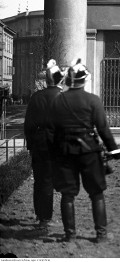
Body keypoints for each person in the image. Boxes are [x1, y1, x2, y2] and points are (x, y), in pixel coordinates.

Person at [46, 59, 120, 242]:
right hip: (89, 151)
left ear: (70, 80)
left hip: (65, 152)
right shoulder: (93, 100)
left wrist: (55, 152)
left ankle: (70, 235)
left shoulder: (58, 101)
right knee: (96, 193)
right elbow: (104, 129)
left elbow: (51, 130)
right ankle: (101, 234)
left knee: (67, 195)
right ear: (84, 80)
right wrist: (114, 150)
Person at [23, 59, 63, 231]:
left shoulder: (36, 97)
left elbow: (28, 125)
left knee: (40, 181)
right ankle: (56, 221)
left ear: (47, 80)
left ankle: (42, 217)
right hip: (58, 144)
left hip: (40, 144)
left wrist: (32, 145)